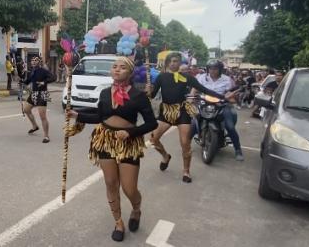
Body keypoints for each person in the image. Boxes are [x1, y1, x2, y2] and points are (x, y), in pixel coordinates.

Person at [66, 56, 158, 242]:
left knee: (129, 189)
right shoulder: (105, 92)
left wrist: (130, 132)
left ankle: (136, 209)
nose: (116, 69)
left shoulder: (138, 96)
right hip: (105, 140)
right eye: (114, 67)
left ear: (130, 72)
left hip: (128, 144)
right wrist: (78, 114)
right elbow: (100, 116)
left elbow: (152, 123)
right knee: (110, 183)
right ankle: (118, 222)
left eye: (122, 67)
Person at [146, 52, 227, 183]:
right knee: (153, 140)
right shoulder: (161, 77)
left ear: (180, 63)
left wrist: (223, 97)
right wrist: (148, 91)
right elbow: (152, 95)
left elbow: (204, 89)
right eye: (171, 61)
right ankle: (166, 156)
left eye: (176, 61)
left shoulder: (187, 77)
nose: (174, 63)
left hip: (182, 111)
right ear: (167, 63)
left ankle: (186, 171)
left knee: (185, 143)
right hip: (166, 112)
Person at [192, 60, 244, 161]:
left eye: (215, 68)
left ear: (220, 69)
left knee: (230, 126)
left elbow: (231, 93)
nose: (213, 70)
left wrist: (230, 97)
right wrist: (191, 97)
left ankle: (238, 150)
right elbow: (194, 88)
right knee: (193, 124)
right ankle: (186, 146)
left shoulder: (227, 80)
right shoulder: (201, 77)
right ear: (207, 69)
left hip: (222, 105)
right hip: (204, 103)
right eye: (210, 68)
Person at [22, 56, 56, 143]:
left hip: (42, 94)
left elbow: (53, 78)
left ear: (39, 62)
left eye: (35, 60)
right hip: (34, 94)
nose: (33, 61)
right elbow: (27, 81)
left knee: (42, 116)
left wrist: (44, 82)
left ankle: (46, 136)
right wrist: (21, 80)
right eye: (32, 60)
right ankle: (35, 126)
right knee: (26, 109)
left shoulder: (43, 70)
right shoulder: (32, 71)